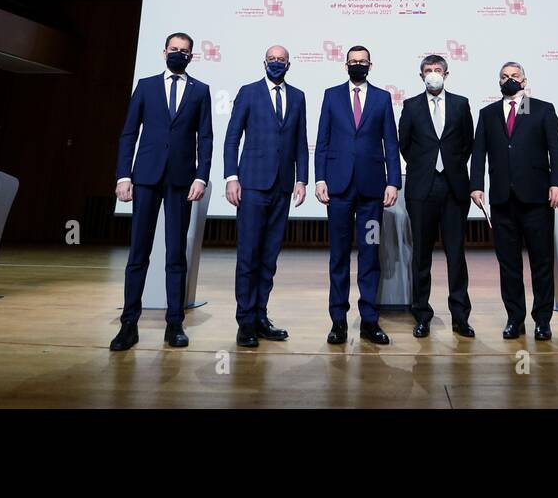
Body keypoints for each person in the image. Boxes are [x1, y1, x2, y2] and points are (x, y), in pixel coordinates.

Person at [110, 32, 213, 351]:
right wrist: (123, 175)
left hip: (182, 181)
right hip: (145, 178)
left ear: (191, 56)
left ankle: (175, 323)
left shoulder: (201, 91)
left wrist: (201, 177)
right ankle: (129, 324)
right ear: (164, 52)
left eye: (184, 51)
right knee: (138, 252)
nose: (179, 54)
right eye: (174, 49)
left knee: (175, 254)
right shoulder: (146, 85)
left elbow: (206, 139)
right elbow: (128, 133)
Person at [470, 61, 558, 340]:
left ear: (524, 81)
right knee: (509, 265)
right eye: (504, 76)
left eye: (514, 76)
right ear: (498, 82)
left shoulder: (542, 109)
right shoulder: (487, 113)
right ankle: (515, 319)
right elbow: (479, 153)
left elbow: (557, 149)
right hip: (502, 200)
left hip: (537, 199)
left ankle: (542, 320)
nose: (509, 80)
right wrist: (476, 186)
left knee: (541, 262)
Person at [314, 45, 401, 345]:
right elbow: (322, 140)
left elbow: (391, 142)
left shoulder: (382, 97)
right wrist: (319, 178)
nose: (358, 65)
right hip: (338, 190)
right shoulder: (331, 95)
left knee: (370, 255)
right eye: (353, 61)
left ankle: (369, 321)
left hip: (372, 193)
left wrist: (394, 183)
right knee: (338, 256)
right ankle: (338, 321)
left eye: (362, 61)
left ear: (370, 65)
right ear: (345, 65)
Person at [223, 45, 308, 348]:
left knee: (269, 258)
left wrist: (302, 180)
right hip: (252, 186)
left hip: (283, 187)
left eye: (281, 60)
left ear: (289, 64)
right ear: (264, 63)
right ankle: (244, 321)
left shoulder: (298, 96)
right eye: (271, 59)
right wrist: (232, 178)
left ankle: (260, 316)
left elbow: (300, 141)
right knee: (248, 256)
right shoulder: (248, 92)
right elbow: (232, 138)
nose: (275, 63)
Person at [397, 54, 475, 337]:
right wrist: (424, 166)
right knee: (421, 256)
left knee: (456, 254)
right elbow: (404, 143)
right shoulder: (410, 106)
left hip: (454, 188)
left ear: (446, 73)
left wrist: (451, 166)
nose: (433, 74)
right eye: (428, 70)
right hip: (421, 189)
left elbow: (468, 143)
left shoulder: (461, 104)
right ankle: (422, 314)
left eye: (437, 70)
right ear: (421, 76)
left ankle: (460, 316)